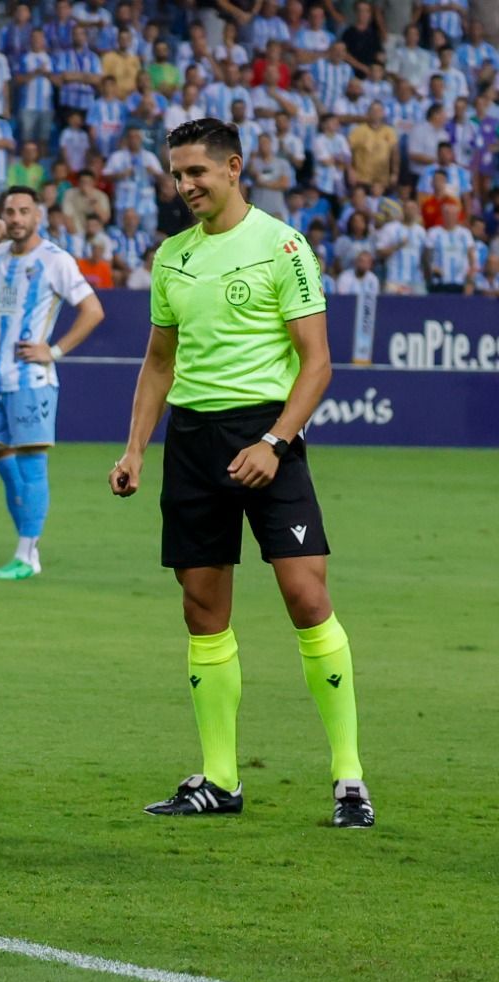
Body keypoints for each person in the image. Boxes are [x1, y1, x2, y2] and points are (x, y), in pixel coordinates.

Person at [109, 117, 373, 828]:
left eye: (197, 171)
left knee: (305, 596)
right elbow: (159, 361)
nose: (186, 184)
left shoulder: (282, 245)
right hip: (193, 441)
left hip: (266, 435)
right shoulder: (172, 257)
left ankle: (349, 776)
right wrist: (135, 447)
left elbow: (317, 362)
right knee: (201, 607)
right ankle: (220, 778)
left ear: (233, 166)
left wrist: (276, 441)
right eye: (177, 174)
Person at [0, 185, 104, 580]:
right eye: (11, 211)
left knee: (31, 466)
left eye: (25, 211)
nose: (17, 218)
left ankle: (28, 555)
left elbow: (93, 310)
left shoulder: (56, 260)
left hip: (31, 380)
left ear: (37, 216)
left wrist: (53, 351)